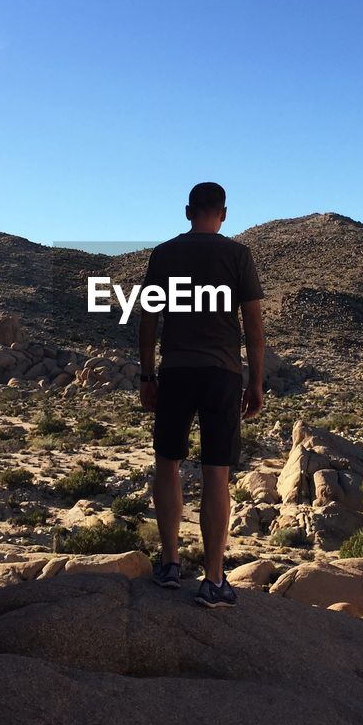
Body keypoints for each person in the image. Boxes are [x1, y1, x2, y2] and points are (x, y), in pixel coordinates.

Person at [138, 182, 265, 608]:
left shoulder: (164, 254)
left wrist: (146, 375)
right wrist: (257, 381)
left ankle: (170, 564)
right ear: (223, 214)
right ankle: (212, 580)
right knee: (216, 472)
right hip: (222, 373)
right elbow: (254, 325)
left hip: (175, 369)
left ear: (187, 211)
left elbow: (148, 320)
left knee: (167, 463)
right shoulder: (237, 255)